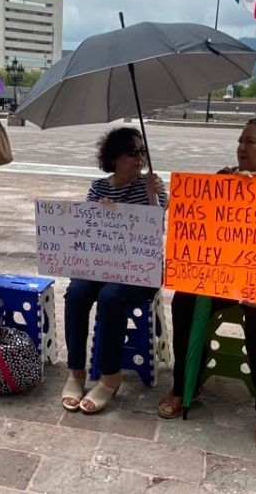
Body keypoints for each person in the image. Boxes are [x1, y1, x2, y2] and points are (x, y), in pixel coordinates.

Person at [156, 117, 256, 452]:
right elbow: (191, 220)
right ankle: (184, 384)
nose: (241, 148)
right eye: (240, 141)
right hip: (221, 277)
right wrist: (217, 190)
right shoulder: (226, 180)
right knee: (185, 301)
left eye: (250, 142)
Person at [61, 127, 166, 414]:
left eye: (142, 151)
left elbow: (156, 230)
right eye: (133, 152)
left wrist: (152, 198)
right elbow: (86, 228)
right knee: (77, 292)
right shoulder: (99, 187)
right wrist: (101, 213)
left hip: (142, 268)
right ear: (115, 157)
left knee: (111, 297)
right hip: (102, 263)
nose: (140, 158)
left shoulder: (152, 185)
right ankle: (76, 371)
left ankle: (110, 377)